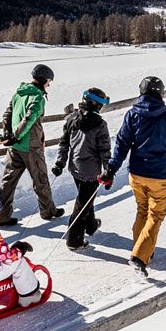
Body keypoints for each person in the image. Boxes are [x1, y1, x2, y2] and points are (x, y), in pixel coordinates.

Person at [101, 75, 166, 276]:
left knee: (142, 210)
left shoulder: (132, 115)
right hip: (159, 176)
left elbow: (122, 144)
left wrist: (111, 169)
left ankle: (142, 249)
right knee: (156, 215)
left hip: (136, 173)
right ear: (161, 93)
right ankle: (139, 256)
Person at [0, 63, 61, 226]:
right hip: (31, 147)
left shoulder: (19, 93)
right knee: (41, 179)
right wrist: (16, 136)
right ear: (43, 80)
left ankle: (2, 216)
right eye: (48, 82)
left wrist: (8, 134)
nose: (49, 85)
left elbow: (7, 114)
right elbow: (29, 120)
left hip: (14, 148)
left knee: (8, 182)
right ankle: (48, 211)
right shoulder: (38, 97)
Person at [52, 87, 112, 250]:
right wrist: (108, 172)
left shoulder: (72, 118)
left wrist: (60, 163)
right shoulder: (100, 124)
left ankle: (91, 226)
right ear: (97, 105)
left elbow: (64, 143)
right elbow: (104, 151)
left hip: (75, 167)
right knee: (82, 204)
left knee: (86, 199)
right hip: (91, 171)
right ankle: (74, 240)